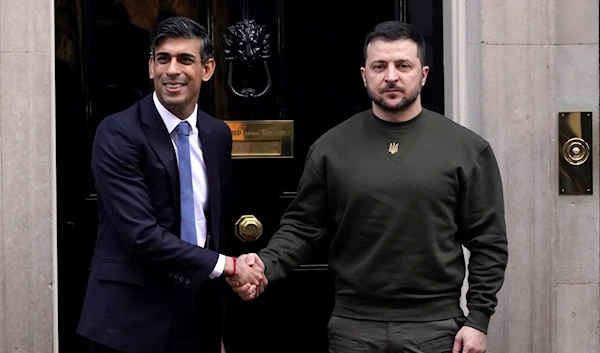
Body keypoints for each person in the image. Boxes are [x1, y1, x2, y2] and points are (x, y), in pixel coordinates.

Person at [228, 20, 508, 353]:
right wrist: (263, 266)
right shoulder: (331, 148)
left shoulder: (467, 149)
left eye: (403, 65)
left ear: (423, 74)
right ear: (364, 76)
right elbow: (303, 227)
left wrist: (478, 319)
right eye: (380, 66)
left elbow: (488, 241)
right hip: (354, 328)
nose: (391, 76)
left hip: (435, 328)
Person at [77, 16, 265, 353]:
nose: (172, 70)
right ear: (151, 67)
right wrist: (229, 266)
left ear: (207, 69)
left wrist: (222, 312)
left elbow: (211, 227)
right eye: (163, 59)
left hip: (198, 316)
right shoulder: (118, 132)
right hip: (129, 321)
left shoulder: (217, 134)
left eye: (185, 59)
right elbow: (141, 235)